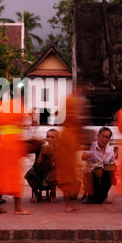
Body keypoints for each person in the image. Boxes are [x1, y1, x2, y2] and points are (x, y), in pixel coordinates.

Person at [0, 94, 31, 215]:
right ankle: (18, 208)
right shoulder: (19, 107)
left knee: (1, 175)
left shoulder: (2, 106)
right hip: (13, 143)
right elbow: (23, 126)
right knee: (15, 175)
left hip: (2, 142)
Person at [55, 84, 91, 212]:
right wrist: (82, 137)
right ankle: (69, 204)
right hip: (69, 137)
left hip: (66, 136)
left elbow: (58, 116)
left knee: (67, 171)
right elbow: (78, 119)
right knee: (68, 171)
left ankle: (69, 203)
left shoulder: (68, 100)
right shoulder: (74, 101)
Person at [81, 127, 117, 204]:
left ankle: (102, 196)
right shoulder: (92, 145)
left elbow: (112, 163)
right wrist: (86, 153)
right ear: (98, 136)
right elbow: (83, 157)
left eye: (107, 137)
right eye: (102, 136)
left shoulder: (110, 150)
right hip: (91, 173)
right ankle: (92, 196)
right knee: (87, 174)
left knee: (111, 174)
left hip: (104, 175)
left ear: (109, 139)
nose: (104, 139)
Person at [25, 129, 59, 203]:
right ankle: (37, 195)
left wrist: (50, 155)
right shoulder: (41, 145)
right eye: (48, 136)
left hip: (51, 173)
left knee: (55, 173)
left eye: (52, 137)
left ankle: (52, 194)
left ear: (57, 139)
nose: (49, 139)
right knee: (29, 174)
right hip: (39, 172)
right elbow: (31, 149)